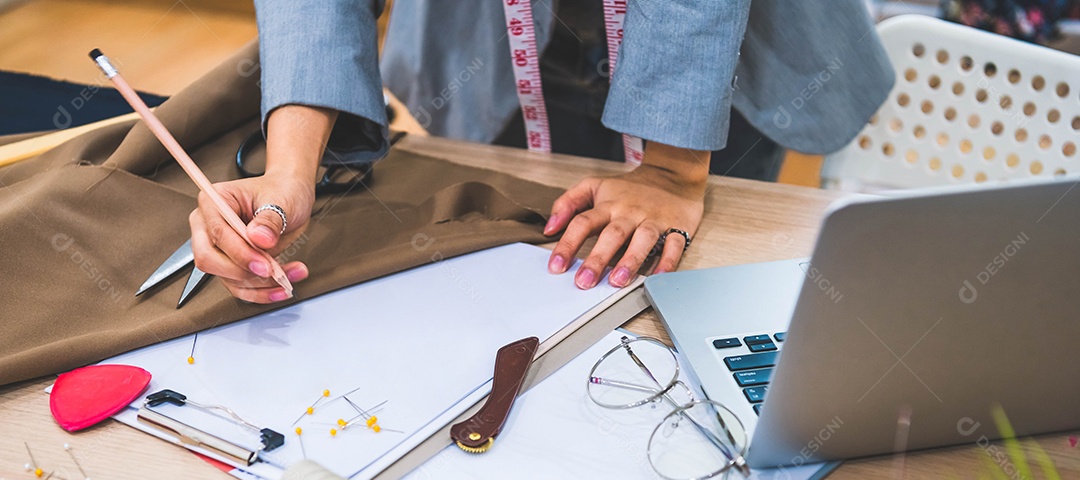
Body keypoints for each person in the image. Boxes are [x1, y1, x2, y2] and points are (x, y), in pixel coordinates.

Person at [189, 0, 894, 304]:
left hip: (721, 63)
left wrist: (674, 168)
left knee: (689, 306)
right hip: (489, 41)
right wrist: (289, 169)